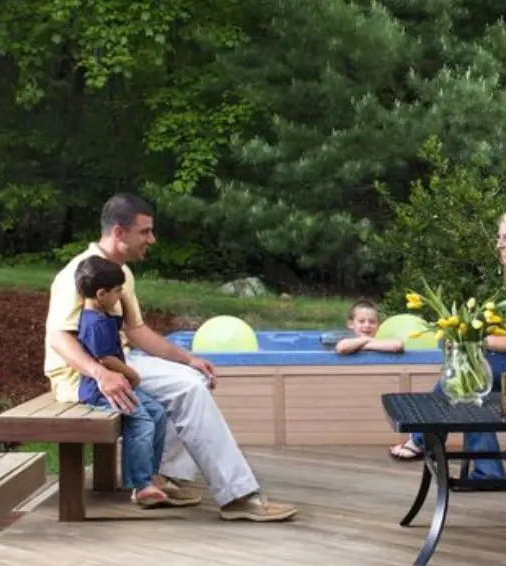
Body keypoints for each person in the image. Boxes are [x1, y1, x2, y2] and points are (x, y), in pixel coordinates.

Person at [44, 193, 297, 522]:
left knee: (194, 379)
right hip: (82, 376)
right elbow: (58, 337)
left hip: (119, 358)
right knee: (187, 391)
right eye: (145, 232)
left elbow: (136, 330)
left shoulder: (121, 273)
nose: (152, 239)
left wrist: (186, 358)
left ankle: (164, 477)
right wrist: (99, 374)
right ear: (120, 233)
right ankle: (238, 495)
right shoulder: (78, 273)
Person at [389, 208, 506, 485]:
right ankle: (486, 471)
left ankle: (425, 441)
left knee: (466, 373)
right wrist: (465, 332)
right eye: (500, 237)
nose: (499, 244)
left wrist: (472, 341)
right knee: (467, 373)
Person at [75, 255, 176, 509]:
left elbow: (129, 324)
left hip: (118, 387)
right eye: (118, 291)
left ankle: (150, 475)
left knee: (157, 413)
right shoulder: (94, 323)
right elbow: (105, 358)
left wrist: (126, 297)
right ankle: (141, 485)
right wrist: (131, 374)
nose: (121, 296)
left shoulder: (103, 313)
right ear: (101, 293)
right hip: (100, 392)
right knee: (141, 421)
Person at [335, 300, 405, 355]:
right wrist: (367, 340)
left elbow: (398, 345)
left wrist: (364, 344)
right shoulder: (348, 341)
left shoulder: (381, 339)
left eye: (372, 322)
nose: (367, 325)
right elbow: (342, 348)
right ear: (350, 324)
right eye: (361, 321)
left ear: (378, 325)